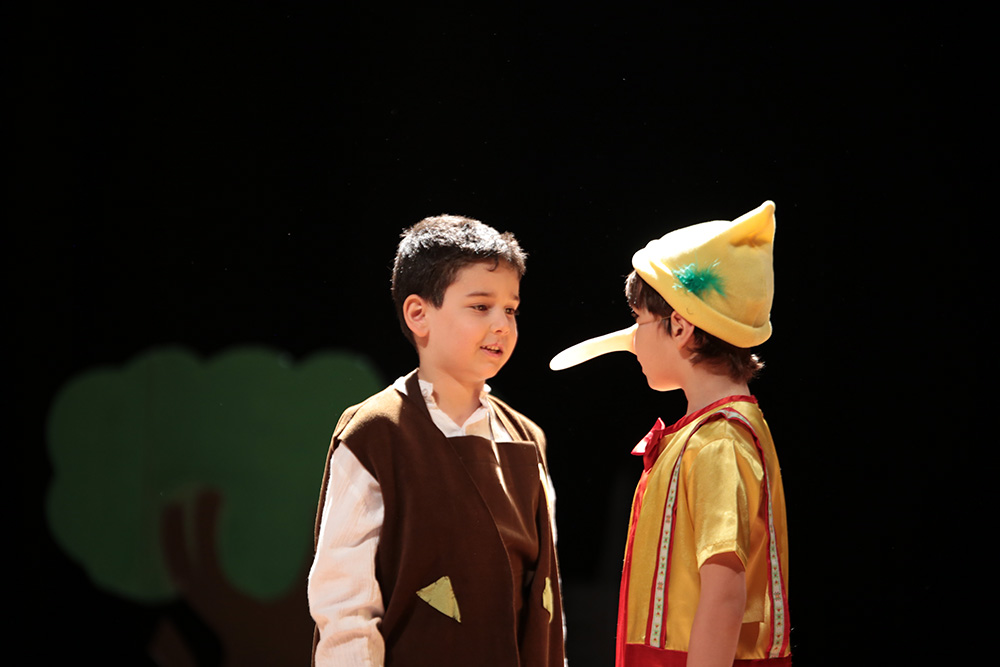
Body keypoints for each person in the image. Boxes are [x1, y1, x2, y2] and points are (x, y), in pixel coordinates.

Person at [308, 215, 565, 667]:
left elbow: (545, 596)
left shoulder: (526, 438)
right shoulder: (377, 432)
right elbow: (345, 604)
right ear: (419, 314)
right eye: (481, 306)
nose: (502, 325)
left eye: (510, 309)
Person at [550, 201, 790, 666]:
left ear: (679, 327)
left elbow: (724, 594)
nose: (632, 338)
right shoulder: (705, 434)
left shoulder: (719, 442)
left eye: (639, 320)